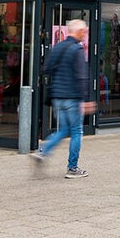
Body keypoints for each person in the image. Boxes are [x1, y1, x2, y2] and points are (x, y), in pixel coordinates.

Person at [32, 19, 95, 178]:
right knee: (76, 132)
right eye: (84, 32)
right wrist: (86, 100)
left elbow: (46, 68)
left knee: (64, 129)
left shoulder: (58, 47)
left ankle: (43, 152)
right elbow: (81, 77)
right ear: (79, 32)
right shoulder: (77, 49)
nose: (85, 34)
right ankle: (72, 168)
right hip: (73, 97)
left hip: (58, 97)